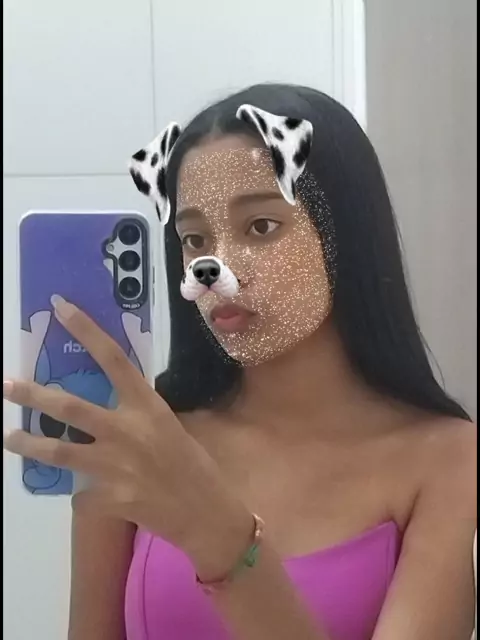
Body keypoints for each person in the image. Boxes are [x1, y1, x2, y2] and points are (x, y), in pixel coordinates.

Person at [4, 84, 476, 640]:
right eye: (194, 237)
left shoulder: (448, 458)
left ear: (343, 232)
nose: (215, 265)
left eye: (261, 226)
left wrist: (221, 536)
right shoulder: (144, 436)